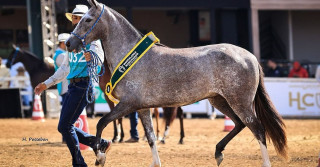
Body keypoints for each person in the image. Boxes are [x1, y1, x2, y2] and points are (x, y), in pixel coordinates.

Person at [34, 5, 111, 167]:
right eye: (74, 18)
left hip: (84, 85)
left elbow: (99, 63)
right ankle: (100, 143)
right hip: (73, 86)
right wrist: (46, 84)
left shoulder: (93, 41)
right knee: (64, 127)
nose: (75, 21)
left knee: (65, 126)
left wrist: (92, 59)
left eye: (78, 18)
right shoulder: (72, 41)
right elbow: (64, 68)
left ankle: (79, 163)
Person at [54, 33, 70, 104]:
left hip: (66, 86)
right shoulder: (61, 55)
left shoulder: (62, 54)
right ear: (63, 43)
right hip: (66, 86)